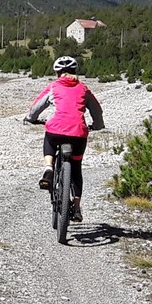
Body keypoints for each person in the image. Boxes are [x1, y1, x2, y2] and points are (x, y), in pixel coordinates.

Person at [27, 55, 104, 223]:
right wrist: (98, 125)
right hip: (78, 134)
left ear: (57, 73)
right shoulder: (83, 88)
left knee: (49, 137)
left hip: (56, 132)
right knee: (76, 167)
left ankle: (48, 169)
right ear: (75, 71)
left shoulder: (53, 87)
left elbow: (35, 108)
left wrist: (31, 119)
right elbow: (97, 110)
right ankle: (76, 208)